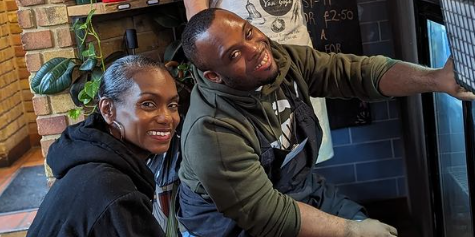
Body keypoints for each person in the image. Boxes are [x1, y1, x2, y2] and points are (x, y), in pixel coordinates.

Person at [177, 8, 475, 237]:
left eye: (248, 32)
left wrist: (435, 79)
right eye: (234, 54)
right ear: (213, 76)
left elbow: (352, 73)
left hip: (294, 190)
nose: (255, 48)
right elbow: (265, 214)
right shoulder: (212, 131)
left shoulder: (279, 60)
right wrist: (351, 231)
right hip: (232, 224)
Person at [27, 55, 180, 237]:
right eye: (148, 104)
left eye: (172, 105)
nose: (167, 118)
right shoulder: (112, 192)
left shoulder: (94, 168)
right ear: (108, 109)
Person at [183, 0, 335, 164]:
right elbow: (198, 20)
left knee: (308, 147)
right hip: (245, 75)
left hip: (295, 54)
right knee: (269, 161)